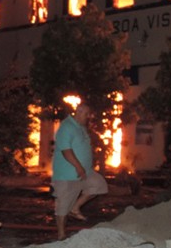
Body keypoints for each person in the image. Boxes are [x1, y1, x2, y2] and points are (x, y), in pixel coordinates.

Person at [52, 103, 108, 240]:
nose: (89, 117)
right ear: (78, 111)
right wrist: (78, 166)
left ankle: (75, 208)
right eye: (86, 114)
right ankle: (61, 235)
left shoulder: (81, 127)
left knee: (99, 185)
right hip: (68, 174)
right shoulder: (66, 127)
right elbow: (66, 150)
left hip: (85, 172)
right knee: (63, 205)